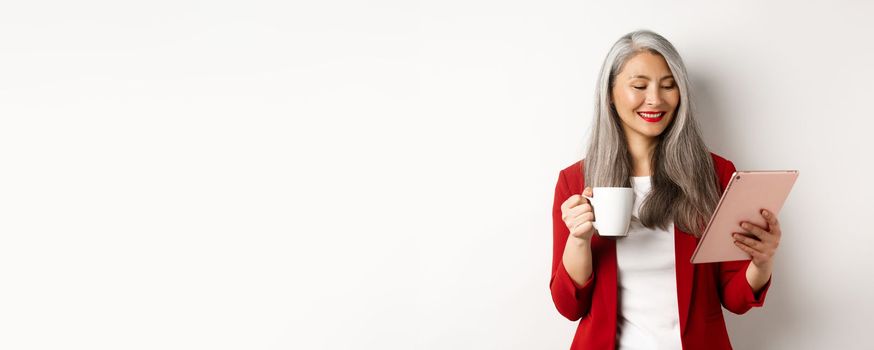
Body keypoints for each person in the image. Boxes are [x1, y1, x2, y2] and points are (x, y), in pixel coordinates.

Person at [550, 29, 782, 349]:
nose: (656, 99)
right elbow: (569, 306)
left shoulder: (716, 174)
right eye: (639, 86)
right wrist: (578, 239)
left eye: (669, 85)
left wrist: (761, 261)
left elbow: (735, 298)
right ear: (610, 95)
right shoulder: (575, 181)